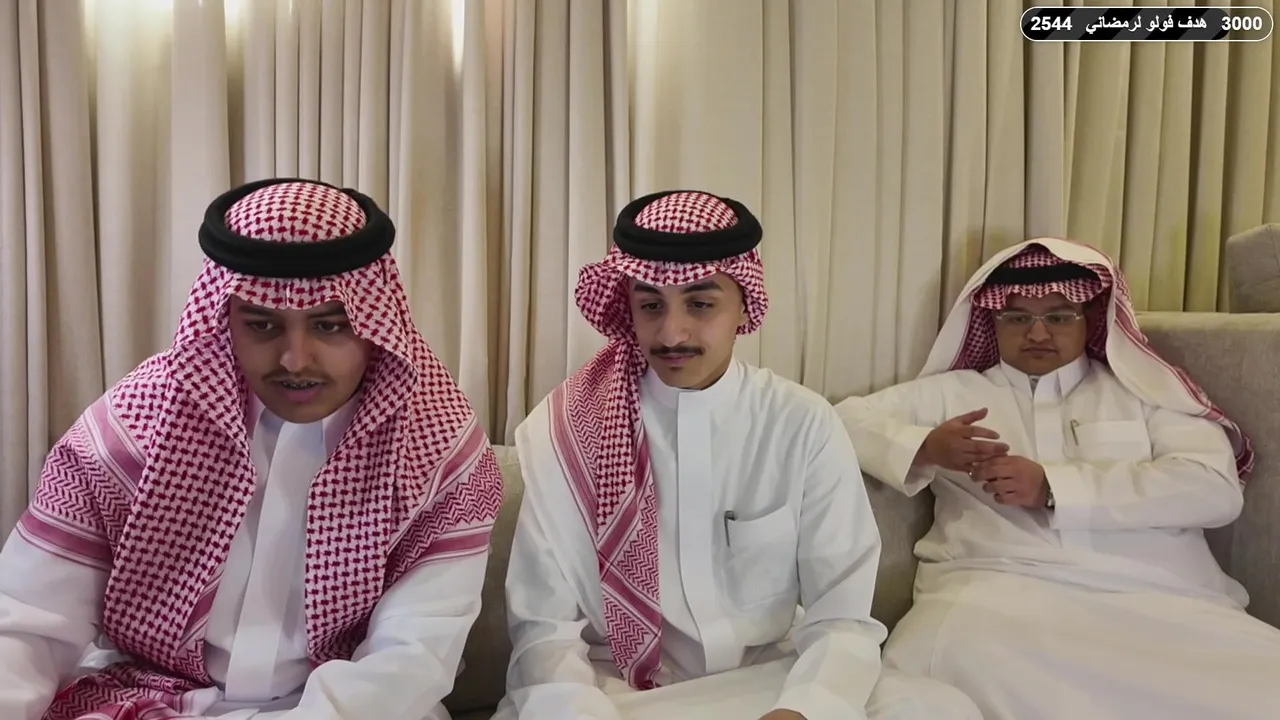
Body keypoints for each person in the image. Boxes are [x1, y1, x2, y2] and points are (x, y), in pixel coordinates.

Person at [0, 179, 505, 720]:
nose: (295, 359)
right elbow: (27, 622)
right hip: (150, 698)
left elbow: (410, 659)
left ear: (373, 324)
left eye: (330, 325)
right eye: (262, 324)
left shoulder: (440, 451)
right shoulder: (130, 431)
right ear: (224, 319)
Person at [496, 190, 981, 720]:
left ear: (744, 305)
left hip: (769, 682)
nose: (672, 333)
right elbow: (544, 631)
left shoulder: (801, 423)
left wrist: (805, 708)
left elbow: (841, 615)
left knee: (941, 709)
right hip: (617, 692)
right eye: (651, 305)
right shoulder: (566, 429)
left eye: (700, 304)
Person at [835, 238, 1280, 719]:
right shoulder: (953, 394)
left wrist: (1052, 486)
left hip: (1158, 597)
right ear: (992, 322)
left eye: (1059, 316)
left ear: (1090, 318)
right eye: (1017, 318)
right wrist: (925, 446)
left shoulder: (1143, 394)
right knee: (942, 667)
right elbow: (837, 420)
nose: (1037, 333)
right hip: (994, 592)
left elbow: (1214, 489)